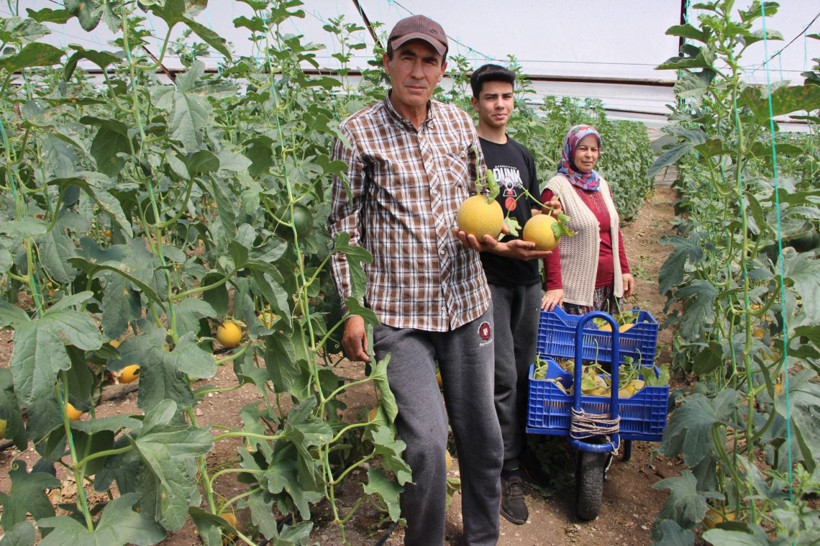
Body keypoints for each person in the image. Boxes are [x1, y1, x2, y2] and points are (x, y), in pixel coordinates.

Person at [328, 15, 503, 545]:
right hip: (397, 314)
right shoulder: (356, 133)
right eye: (407, 57)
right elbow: (343, 224)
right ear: (388, 63)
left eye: (429, 61)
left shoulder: (458, 125)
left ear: (443, 71)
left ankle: (483, 537)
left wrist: (495, 235)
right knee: (425, 442)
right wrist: (353, 306)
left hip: (466, 301)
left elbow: (481, 197)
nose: (418, 70)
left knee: (483, 434)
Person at [469, 64, 558, 526]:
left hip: (528, 277)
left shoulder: (522, 153)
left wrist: (549, 217)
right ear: (476, 102)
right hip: (490, 279)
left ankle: (519, 453)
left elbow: (532, 211)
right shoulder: (469, 152)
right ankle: (505, 469)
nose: (499, 104)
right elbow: (467, 217)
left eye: (506, 96)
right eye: (490, 97)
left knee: (524, 374)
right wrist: (500, 247)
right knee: (502, 377)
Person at [540, 125, 634, 315]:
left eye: (594, 149)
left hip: (609, 287)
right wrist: (554, 285)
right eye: (582, 148)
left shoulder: (602, 185)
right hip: (575, 292)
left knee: (606, 334)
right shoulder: (555, 189)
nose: (589, 155)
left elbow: (614, 231)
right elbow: (549, 242)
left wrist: (624, 270)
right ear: (570, 150)